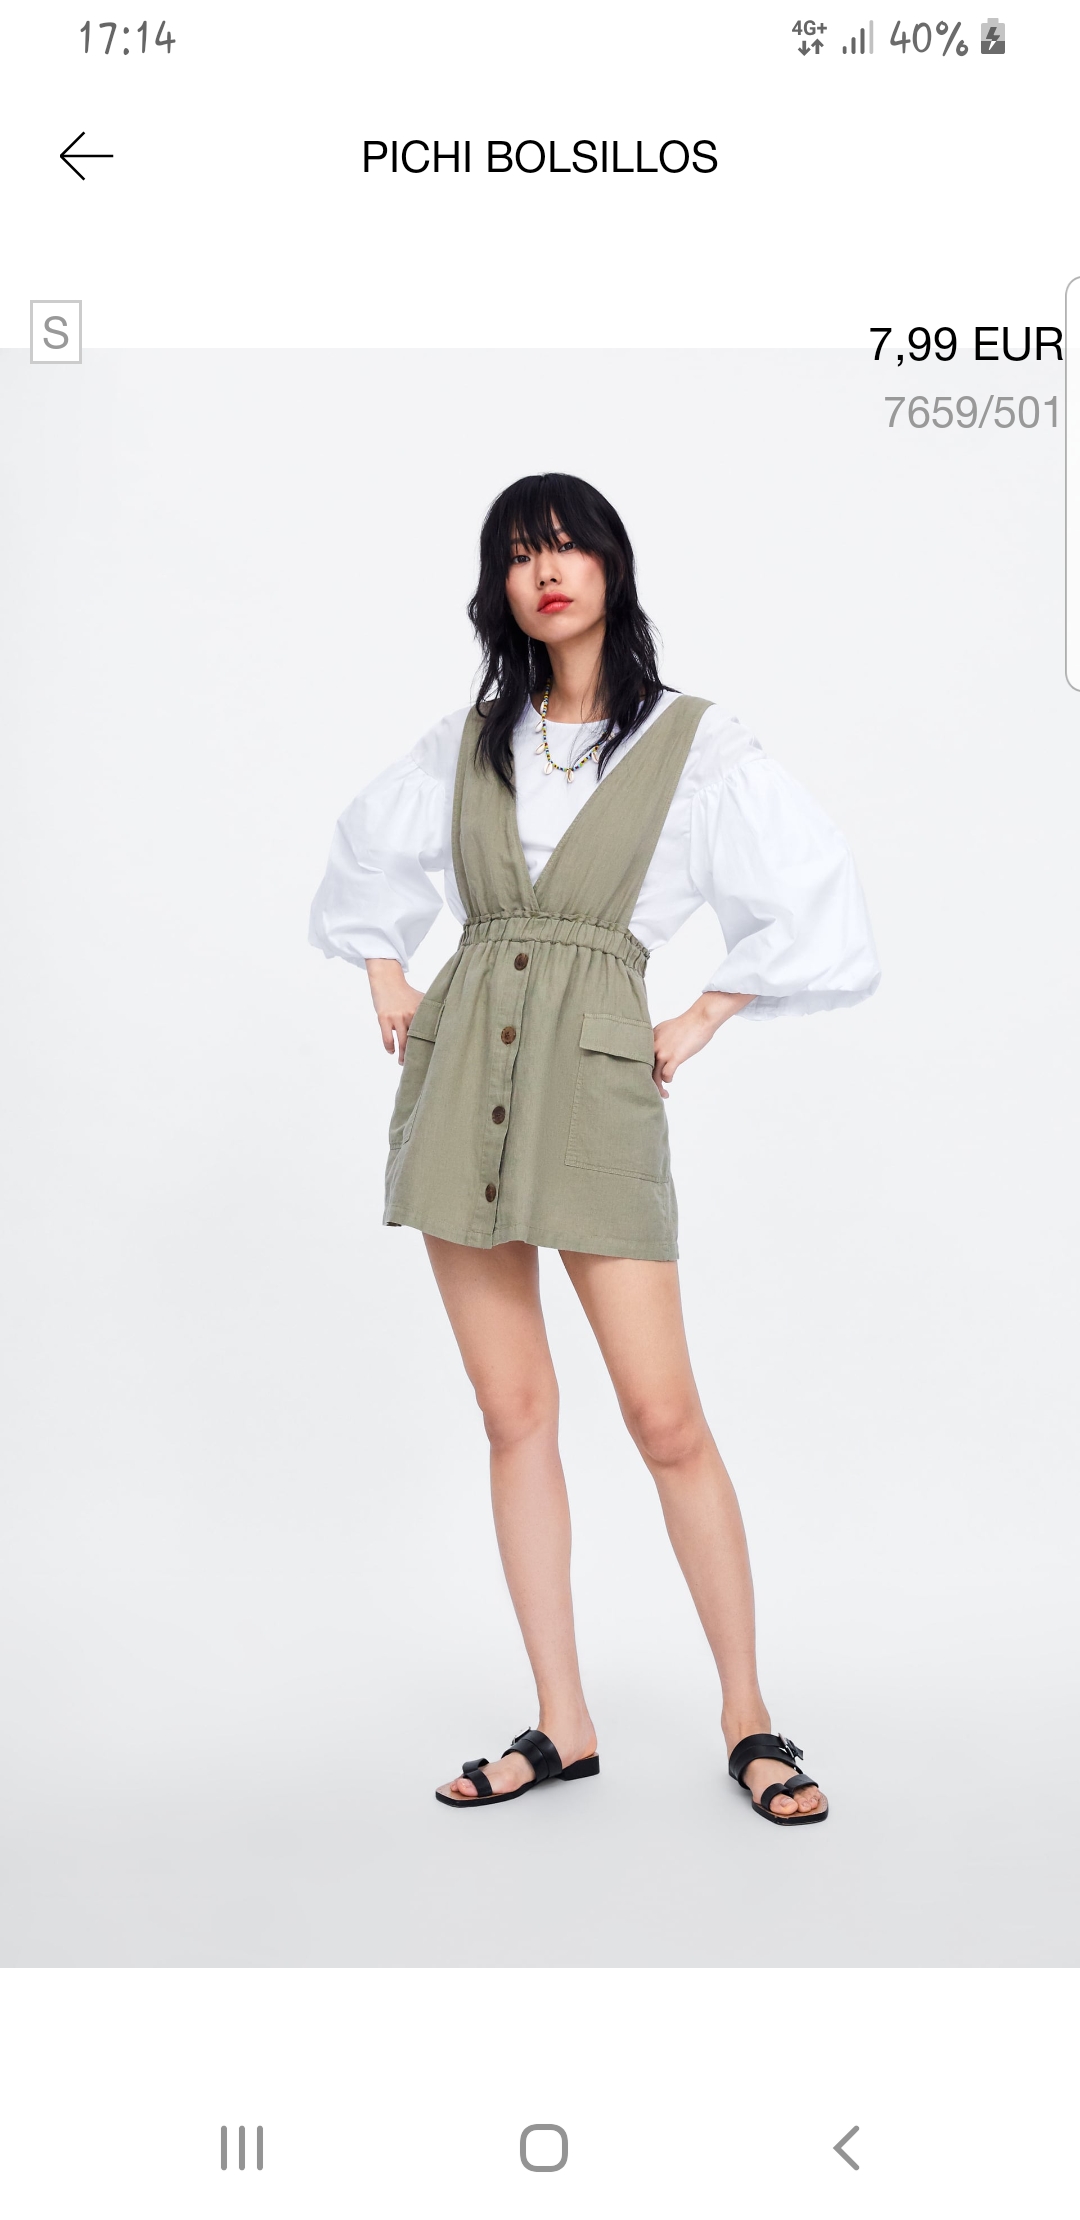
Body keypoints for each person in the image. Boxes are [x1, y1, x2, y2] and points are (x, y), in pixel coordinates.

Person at [309, 473, 880, 1825]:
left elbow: (813, 895)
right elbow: (365, 861)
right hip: (464, 1078)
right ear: (498, 589)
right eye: (520, 555)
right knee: (514, 1414)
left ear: (612, 566)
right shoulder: (471, 739)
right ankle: (562, 1723)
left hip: (600, 1084)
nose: (547, 570)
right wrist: (385, 973)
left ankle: (749, 1718)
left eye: (567, 545)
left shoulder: (693, 742)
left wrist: (705, 1012)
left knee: (664, 1419)